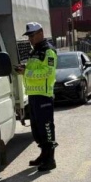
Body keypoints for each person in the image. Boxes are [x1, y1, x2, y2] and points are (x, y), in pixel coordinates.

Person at [15, 22, 58, 172]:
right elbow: (33, 69)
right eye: (28, 36)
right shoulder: (33, 52)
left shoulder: (48, 51)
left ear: (41, 33)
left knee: (46, 128)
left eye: (32, 35)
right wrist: (24, 69)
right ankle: (43, 154)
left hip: (44, 96)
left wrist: (27, 73)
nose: (30, 39)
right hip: (33, 95)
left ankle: (50, 159)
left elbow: (48, 72)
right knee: (36, 130)